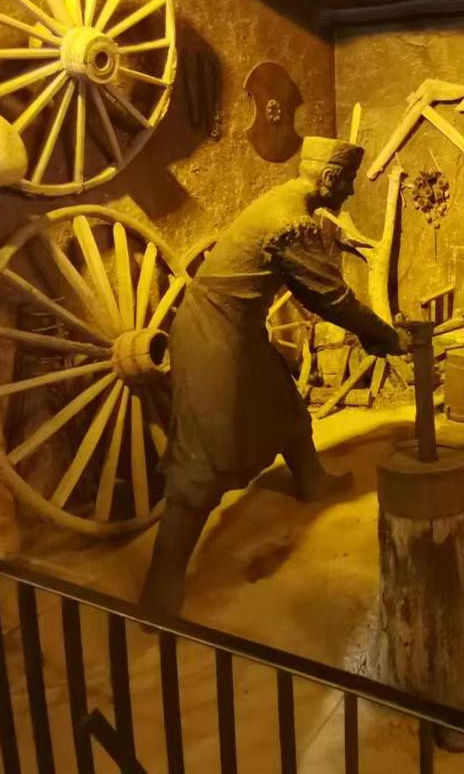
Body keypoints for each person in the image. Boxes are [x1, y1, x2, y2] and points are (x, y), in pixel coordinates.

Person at [140, 137, 406, 614]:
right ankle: (163, 582)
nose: (349, 192)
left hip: (236, 327)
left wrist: (373, 334)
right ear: (329, 178)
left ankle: (312, 480)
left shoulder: (283, 201)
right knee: (202, 462)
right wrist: (384, 335)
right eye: (346, 182)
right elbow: (329, 298)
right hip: (210, 336)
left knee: (282, 404)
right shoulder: (291, 224)